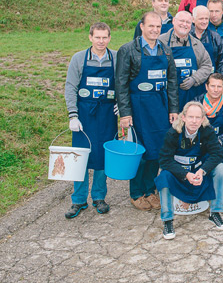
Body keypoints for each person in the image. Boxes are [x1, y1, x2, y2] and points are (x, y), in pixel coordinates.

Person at [116, 12, 179, 211]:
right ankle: (136, 193)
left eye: (158, 27)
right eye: (151, 26)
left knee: (156, 151)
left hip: (160, 106)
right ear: (142, 27)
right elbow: (121, 84)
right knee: (140, 152)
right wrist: (125, 113)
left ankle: (150, 190)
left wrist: (173, 109)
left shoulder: (165, 50)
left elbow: (172, 82)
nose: (155, 30)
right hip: (138, 107)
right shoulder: (128, 50)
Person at [63, 22, 118, 218]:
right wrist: (73, 115)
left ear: (109, 38)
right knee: (80, 157)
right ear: (90, 37)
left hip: (107, 115)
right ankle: (78, 200)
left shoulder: (116, 58)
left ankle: (99, 197)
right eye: (97, 37)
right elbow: (70, 87)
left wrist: (121, 103)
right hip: (84, 115)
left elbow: (123, 83)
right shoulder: (79, 59)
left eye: (104, 37)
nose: (101, 41)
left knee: (103, 156)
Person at [155, 102, 223, 240]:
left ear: (202, 119)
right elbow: (164, 160)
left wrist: (202, 171)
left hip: (198, 170)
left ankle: (216, 212)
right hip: (179, 173)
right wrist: (185, 174)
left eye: (197, 117)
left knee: (221, 168)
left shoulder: (207, 131)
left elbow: (217, 154)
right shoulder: (173, 133)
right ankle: (167, 220)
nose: (194, 121)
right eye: (190, 117)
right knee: (163, 177)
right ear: (183, 117)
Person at [194, 73, 223, 197]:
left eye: (219, 86)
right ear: (206, 86)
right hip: (200, 142)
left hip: (220, 142)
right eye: (212, 86)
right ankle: (201, 178)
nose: (216, 89)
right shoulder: (196, 102)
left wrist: (218, 141)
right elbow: (189, 127)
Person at [158, 11, 212, 110]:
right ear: (174, 21)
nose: (184, 24)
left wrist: (195, 79)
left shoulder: (196, 44)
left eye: (188, 22)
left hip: (190, 95)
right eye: (182, 21)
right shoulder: (161, 42)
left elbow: (207, 65)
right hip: (166, 95)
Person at [191, 6, 223, 76]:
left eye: (206, 18)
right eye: (201, 19)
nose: (204, 22)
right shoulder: (187, 36)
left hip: (211, 78)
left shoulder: (215, 37)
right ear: (193, 19)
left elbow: (222, 60)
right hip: (191, 78)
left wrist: (219, 78)